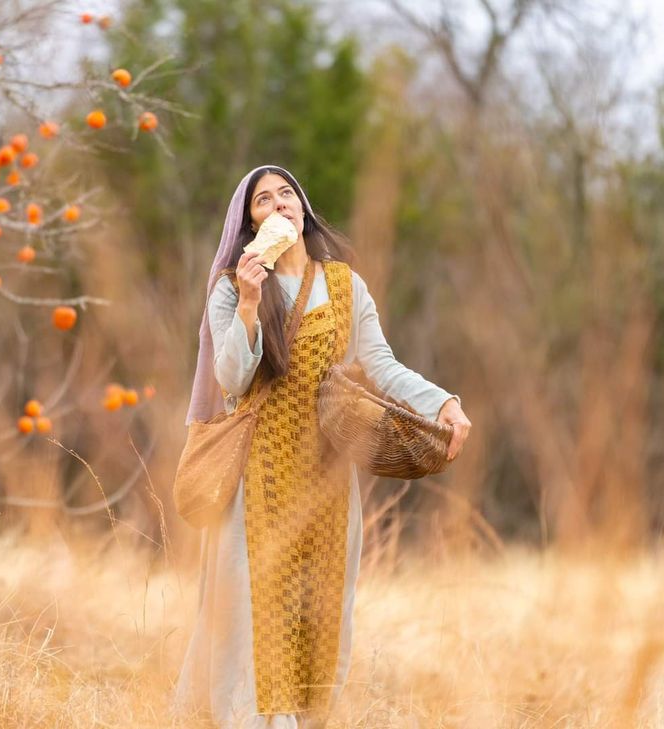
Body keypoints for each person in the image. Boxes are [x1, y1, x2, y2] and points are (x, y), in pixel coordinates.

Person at [171, 165, 472, 728]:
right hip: (256, 476)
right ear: (248, 221)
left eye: (287, 194)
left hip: (328, 474)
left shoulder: (343, 284)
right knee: (252, 610)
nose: (279, 204)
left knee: (321, 606)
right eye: (264, 200)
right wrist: (247, 302)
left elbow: (381, 363)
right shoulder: (231, 287)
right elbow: (232, 379)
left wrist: (442, 403)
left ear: (302, 209)